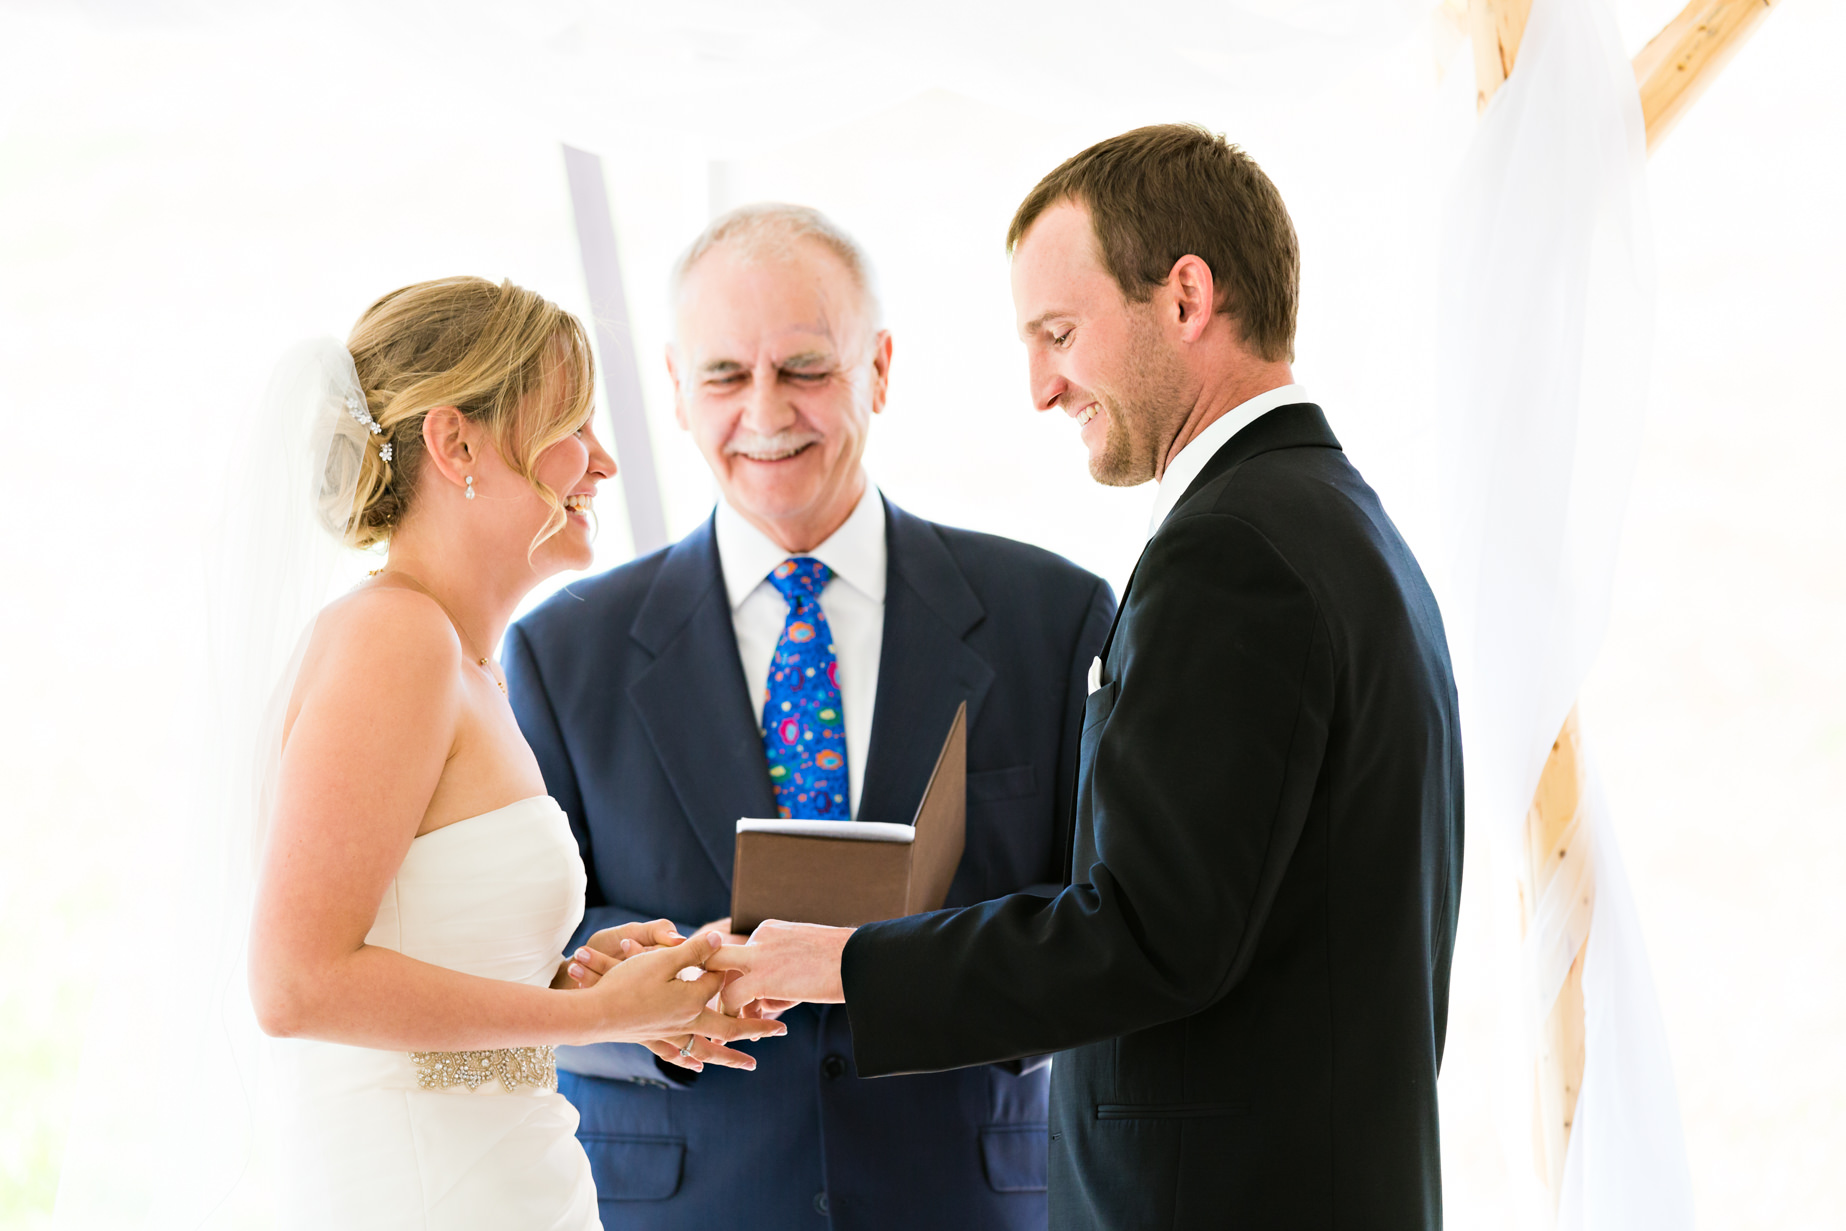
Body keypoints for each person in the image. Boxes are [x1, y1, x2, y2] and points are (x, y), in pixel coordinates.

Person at [707, 126, 1466, 1229]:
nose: (1039, 386)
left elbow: (1150, 933)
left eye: (1058, 333)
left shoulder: (1233, 553)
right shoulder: (1336, 523)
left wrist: (848, 964)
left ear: (1186, 296)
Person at [505, 205, 1115, 1229]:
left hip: (962, 1193)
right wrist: (643, 977)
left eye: (803, 369)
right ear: (673, 388)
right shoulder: (562, 651)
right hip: (680, 1199)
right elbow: (528, 946)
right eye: (723, 377)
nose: (763, 411)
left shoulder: (1051, 618)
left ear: (878, 369)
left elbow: (1100, 930)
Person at [244, 276, 783, 1231]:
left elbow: (415, 964)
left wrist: (580, 977)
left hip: (508, 1182)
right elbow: (298, 984)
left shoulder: (467, 664)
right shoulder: (393, 639)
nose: (605, 461)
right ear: (457, 444)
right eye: (574, 420)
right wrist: (597, 1019)